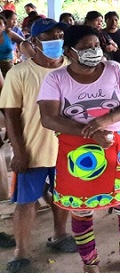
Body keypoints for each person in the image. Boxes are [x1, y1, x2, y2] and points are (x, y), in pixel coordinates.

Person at [37, 25, 120, 273]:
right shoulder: (56, 78)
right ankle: (90, 263)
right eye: (87, 48)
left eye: (96, 46)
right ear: (69, 52)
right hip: (77, 150)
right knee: (81, 209)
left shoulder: (114, 69)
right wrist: (92, 133)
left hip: (118, 145)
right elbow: (49, 118)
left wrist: (107, 120)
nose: (94, 51)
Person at [0, 18, 76, 273]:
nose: (56, 40)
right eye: (48, 37)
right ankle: (20, 251)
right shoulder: (19, 73)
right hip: (32, 150)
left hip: (67, 149)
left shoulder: (73, 68)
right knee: (26, 201)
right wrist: (19, 152)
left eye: (59, 35)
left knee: (63, 196)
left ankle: (59, 235)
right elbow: (10, 114)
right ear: (33, 42)